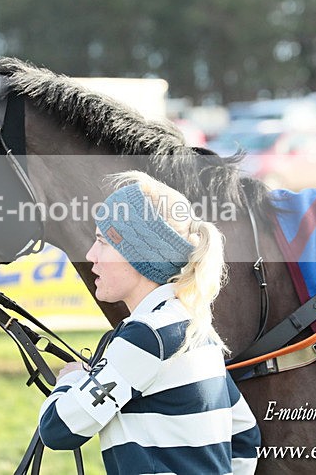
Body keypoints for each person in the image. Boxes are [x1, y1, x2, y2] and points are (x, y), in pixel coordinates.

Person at [38, 171, 260, 475]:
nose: (91, 255)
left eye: (103, 241)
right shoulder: (194, 329)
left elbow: (58, 429)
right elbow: (245, 436)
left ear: (139, 257)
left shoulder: (147, 336)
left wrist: (72, 379)